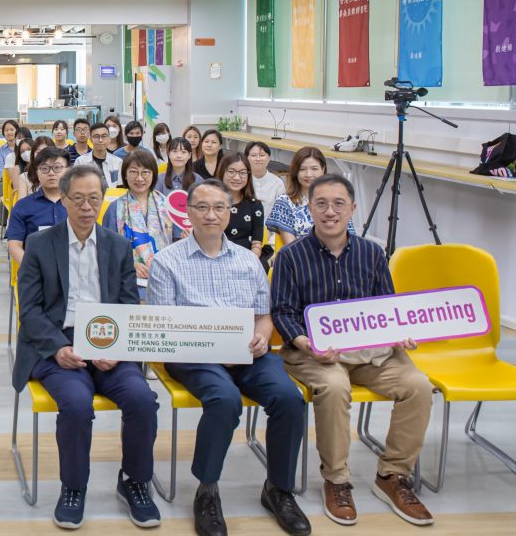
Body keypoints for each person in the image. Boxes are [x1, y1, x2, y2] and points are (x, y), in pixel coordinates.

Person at [148, 179, 310, 536]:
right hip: (194, 356)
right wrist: (207, 345)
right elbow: (165, 325)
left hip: (248, 352)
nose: (211, 215)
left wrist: (261, 339)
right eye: (202, 207)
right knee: (224, 399)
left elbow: (264, 315)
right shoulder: (167, 261)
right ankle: (207, 490)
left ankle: (279, 489)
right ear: (188, 212)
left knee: (289, 399)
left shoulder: (248, 261)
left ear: (229, 211)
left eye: (219, 207)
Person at [272, 174, 435, 528]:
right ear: (310, 208)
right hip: (312, 353)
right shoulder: (289, 256)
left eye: (339, 204)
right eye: (321, 204)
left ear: (353, 209)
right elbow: (283, 312)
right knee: (334, 387)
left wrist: (401, 333)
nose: (330, 212)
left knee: (418, 386)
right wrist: (306, 343)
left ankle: (392, 475)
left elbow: (388, 306)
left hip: (370, 353)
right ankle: (337, 479)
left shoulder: (373, 253)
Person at [13, 165, 160, 530]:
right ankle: (73, 487)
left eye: (94, 198)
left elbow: (127, 305)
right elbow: (29, 310)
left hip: (109, 343)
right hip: (57, 343)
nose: (86, 206)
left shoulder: (118, 245)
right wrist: (59, 348)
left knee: (142, 399)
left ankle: (134, 481)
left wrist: (117, 346)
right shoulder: (40, 244)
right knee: (77, 404)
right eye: (77, 199)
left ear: (102, 200)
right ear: (63, 200)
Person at [101, 148, 172, 282]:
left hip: (165, 277)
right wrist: (130, 264)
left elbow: (176, 242)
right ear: (125, 175)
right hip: (128, 280)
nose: (139, 178)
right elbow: (107, 249)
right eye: (133, 172)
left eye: (145, 172)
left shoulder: (166, 204)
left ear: (153, 174)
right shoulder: (114, 208)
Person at [266, 146, 353, 244]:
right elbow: (291, 247)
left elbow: (349, 240)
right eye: (303, 169)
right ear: (296, 172)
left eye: (314, 169)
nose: (308, 174)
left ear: (323, 169)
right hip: (301, 257)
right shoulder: (285, 202)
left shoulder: (337, 201)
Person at [5, 146, 69, 265]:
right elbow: (14, 245)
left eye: (57, 168)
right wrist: (34, 269)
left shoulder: (79, 204)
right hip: (36, 272)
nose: (51, 173)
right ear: (37, 173)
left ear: (68, 171)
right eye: (44, 168)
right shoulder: (23, 207)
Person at [216, 153, 265, 260]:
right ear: (222, 172)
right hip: (216, 259)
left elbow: (256, 245)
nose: (237, 177)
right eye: (231, 172)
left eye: (242, 173)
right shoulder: (211, 203)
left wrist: (247, 263)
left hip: (246, 260)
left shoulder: (255, 205)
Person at [73, 122, 123, 188]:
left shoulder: (117, 162)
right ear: (90, 139)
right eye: (96, 137)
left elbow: (120, 187)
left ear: (109, 139)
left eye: (104, 136)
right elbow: (75, 185)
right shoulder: (81, 162)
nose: (100, 140)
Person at [246, 141, 285, 221]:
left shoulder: (278, 183)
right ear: (246, 158)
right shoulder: (242, 180)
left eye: (262, 155)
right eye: (253, 155)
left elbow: (281, 212)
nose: (258, 159)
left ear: (269, 158)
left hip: (269, 228)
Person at [0, 119, 20, 187]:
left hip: (22, 180)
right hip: (5, 181)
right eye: (6, 130)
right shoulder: (0, 151)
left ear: (17, 131)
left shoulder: (22, 148)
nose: (9, 132)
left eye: (12, 130)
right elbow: (1, 172)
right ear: (3, 133)